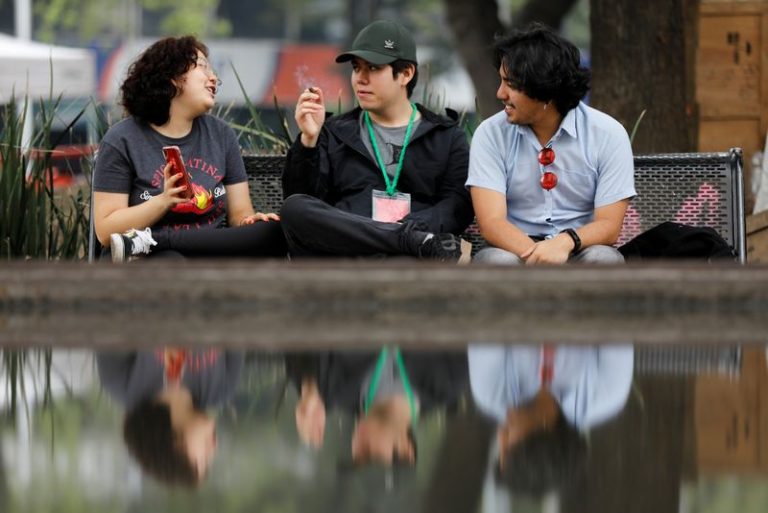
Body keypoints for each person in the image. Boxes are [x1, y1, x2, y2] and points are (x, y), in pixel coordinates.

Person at [281, 20, 474, 261]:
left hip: (408, 259)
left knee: (407, 260)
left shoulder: (445, 136)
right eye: (356, 68)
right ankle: (402, 239)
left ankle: (403, 241)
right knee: (294, 208)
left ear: (406, 74)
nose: (360, 78)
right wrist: (308, 141)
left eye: (372, 68)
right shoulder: (334, 132)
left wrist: (415, 226)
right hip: (345, 255)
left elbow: (458, 205)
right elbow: (304, 200)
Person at [92, 36, 286, 262]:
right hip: (148, 264)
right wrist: (163, 201)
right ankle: (154, 245)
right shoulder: (122, 139)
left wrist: (250, 222)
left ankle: (150, 242)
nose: (213, 77)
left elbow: (240, 214)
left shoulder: (221, 135)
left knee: (273, 231)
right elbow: (106, 232)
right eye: (202, 67)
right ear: (173, 76)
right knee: (171, 262)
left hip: (206, 253)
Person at [467, 24, 636, 265]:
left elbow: (609, 226)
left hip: (579, 246)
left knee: (604, 258)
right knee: (495, 261)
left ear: (545, 90)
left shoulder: (608, 134)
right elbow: (492, 223)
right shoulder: (490, 134)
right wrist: (541, 255)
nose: (500, 93)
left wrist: (565, 243)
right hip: (514, 248)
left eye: (511, 84)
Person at [284, 349, 468, 465]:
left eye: (356, 456)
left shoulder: (330, 389)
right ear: (405, 450)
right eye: (370, 454)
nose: (357, 447)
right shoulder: (450, 380)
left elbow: (295, 333)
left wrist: (309, 385)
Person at [97, 348, 244, 486]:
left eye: (203, 460)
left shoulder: (121, 382)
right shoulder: (222, 388)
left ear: (173, 447)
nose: (214, 449)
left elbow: (109, 323)